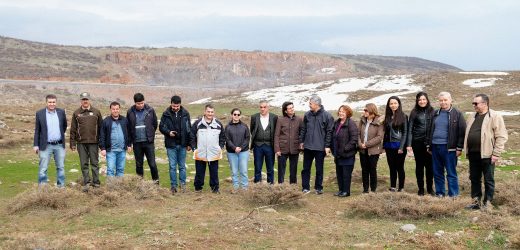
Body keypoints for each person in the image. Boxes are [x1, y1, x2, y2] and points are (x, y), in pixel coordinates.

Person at [464, 94, 508, 209]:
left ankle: (487, 202)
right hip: (473, 153)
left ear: (485, 103)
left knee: (488, 179)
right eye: (473, 103)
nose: (474, 105)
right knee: (474, 178)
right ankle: (476, 202)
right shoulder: (472, 116)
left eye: (476, 103)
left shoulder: (495, 116)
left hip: (488, 154)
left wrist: (496, 154)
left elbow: (501, 136)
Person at [427, 92, 466, 198]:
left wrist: (459, 147)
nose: (443, 102)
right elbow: (430, 130)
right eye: (441, 100)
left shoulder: (457, 113)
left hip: (450, 148)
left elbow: (462, 132)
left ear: (450, 100)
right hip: (435, 147)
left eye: (445, 100)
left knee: (451, 172)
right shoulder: (435, 113)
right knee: (437, 172)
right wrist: (429, 145)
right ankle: (440, 193)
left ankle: (453, 195)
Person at [299, 95, 334, 194]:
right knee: (306, 168)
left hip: (320, 147)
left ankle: (318, 188)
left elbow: (329, 132)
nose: (309, 105)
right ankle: (305, 187)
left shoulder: (327, 116)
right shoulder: (307, 115)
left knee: (319, 169)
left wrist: (327, 146)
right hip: (308, 146)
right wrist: (301, 141)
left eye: (310, 103)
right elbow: (303, 129)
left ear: (316, 104)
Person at [70, 92, 103, 191]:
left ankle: (96, 183)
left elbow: (101, 128)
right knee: (84, 163)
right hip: (81, 143)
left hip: (94, 142)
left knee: (94, 163)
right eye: (83, 99)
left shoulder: (97, 112)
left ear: (89, 100)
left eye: (87, 99)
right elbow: (73, 129)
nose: (85, 101)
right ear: (81, 100)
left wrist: (102, 144)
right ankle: (87, 182)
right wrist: (72, 143)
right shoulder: (76, 113)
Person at [159, 95, 192, 194]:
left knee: (182, 166)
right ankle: (173, 186)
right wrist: (168, 132)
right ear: (171, 104)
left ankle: (183, 185)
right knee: (172, 166)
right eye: (174, 106)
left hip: (182, 144)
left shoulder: (186, 114)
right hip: (171, 144)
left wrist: (189, 143)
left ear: (180, 104)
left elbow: (189, 129)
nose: (175, 108)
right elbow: (161, 127)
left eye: (177, 106)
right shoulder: (166, 114)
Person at [33, 94, 67, 187]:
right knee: (43, 168)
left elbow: (64, 126)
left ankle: (61, 187)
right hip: (45, 145)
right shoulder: (39, 113)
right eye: (50, 102)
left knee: (61, 167)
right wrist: (36, 145)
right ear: (46, 102)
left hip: (59, 145)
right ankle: (43, 188)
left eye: (53, 102)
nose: (52, 104)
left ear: (56, 102)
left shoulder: (61, 112)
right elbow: (37, 130)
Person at [191, 104, 226, 193]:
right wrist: (194, 148)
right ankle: (198, 188)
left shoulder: (218, 124)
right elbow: (191, 136)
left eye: (212, 112)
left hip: (214, 153)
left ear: (214, 113)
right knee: (199, 172)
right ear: (204, 112)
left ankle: (215, 189)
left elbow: (222, 137)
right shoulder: (197, 123)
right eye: (208, 111)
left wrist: (220, 147)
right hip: (200, 152)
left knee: (214, 172)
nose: (210, 114)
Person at [127, 93, 159, 184]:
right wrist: (129, 143)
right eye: (138, 104)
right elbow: (128, 128)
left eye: (142, 103)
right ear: (135, 103)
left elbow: (154, 124)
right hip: (137, 143)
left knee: (152, 164)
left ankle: (156, 184)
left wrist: (151, 134)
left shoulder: (150, 110)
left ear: (144, 101)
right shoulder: (130, 112)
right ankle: (140, 184)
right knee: (139, 165)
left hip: (148, 142)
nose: (140, 105)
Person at [406, 92, 435, 196]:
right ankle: (421, 189)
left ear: (427, 100)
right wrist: (409, 144)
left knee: (430, 167)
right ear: (417, 101)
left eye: (424, 99)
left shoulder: (433, 111)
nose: (422, 101)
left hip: (430, 143)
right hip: (417, 143)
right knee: (419, 166)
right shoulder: (414, 112)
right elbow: (409, 129)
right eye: (420, 100)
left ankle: (430, 188)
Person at [331, 105, 359, 197]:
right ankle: (341, 190)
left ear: (348, 113)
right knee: (339, 174)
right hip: (338, 154)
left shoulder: (351, 123)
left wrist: (345, 148)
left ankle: (346, 191)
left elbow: (354, 139)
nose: (341, 113)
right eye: (340, 111)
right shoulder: (336, 123)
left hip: (347, 155)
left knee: (346, 174)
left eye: (343, 111)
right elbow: (333, 137)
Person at [99, 101, 131, 178]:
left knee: (120, 169)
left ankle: (118, 188)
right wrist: (102, 148)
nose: (115, 111)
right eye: (113, 109)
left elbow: (128, 133)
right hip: (111, 150)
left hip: (122, 150)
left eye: (117, 109)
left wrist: (129, 145)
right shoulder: (106, 121)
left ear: (119, 109)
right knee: (110, 170)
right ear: (110, 109)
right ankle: (110, 189)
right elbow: (102, 135)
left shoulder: (124, 120)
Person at [274, 101, 303, 184]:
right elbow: (276, 135)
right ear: (285, 111)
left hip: (294, 148)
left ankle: (292, 187)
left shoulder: (299, 119)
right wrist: (277, 149)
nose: (292, 109)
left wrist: (301, 145)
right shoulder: (280, 120)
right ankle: (281, 186)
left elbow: (302, 133)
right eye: (290, 108)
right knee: (281, 169)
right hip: (282, 149)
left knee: (293, 169)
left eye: (292, 107)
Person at [383, 96, 408, 192]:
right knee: (392, 167)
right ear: (388, 105)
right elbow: (385, 132)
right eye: (391, 103)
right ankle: (393, 186)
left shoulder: (404, 116)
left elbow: (405, 132)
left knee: (399, 167)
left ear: (399, 104)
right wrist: (384, 145)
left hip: (399, 145)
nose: (393, 105)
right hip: (389, 146)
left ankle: (401, 187)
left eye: (395, 103)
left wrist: (402, 147)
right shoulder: (387, 117)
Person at [358, 103, 384, 193]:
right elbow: (357, 134)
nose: (364, 112)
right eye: (364, 110)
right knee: (364, 170)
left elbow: (379, 137)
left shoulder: (379, 122)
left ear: (371, 111)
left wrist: (367, 144)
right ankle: (365, 190)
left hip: (373, 151)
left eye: (366, 110)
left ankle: (373, 190)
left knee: (372, 170)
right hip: (362, 150)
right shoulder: (362, 120)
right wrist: (360, 144)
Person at [250, 100, 278, 184]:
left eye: (264, 107)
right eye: (261, 107)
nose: (262, 109)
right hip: (258, 146)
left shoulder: (274, 117)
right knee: (257, 167)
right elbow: (252, 130)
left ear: (268, 108)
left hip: (270, 146)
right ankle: (257, 184)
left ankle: (270, 184)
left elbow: (276, 130)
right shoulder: (254, 117)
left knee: (270, 167)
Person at [225, 108, 250, 192]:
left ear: (240, 116)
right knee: (234, 171)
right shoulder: (228, 127)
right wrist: (234, 148)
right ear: (232, 115)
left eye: (238, 114)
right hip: (232, 152)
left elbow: (247, 138)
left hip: (243, 151)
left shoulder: (244, 126)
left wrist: (241, 148)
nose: (236, 116)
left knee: (243, 171)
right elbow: (227, 139)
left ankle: (244, 188)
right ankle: (235, 187)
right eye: (235, 114)